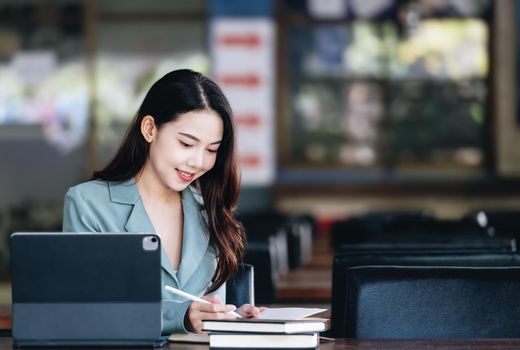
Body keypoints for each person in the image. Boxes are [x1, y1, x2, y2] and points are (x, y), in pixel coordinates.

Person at [62, 69, 262, 334]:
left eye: (211, 150)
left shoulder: (209, 209)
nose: (199, 162)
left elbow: (208, 307)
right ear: (149, 129)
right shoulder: (89, 204)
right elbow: (86, 310)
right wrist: (180, 316)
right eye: (187, 144)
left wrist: (233, 315)